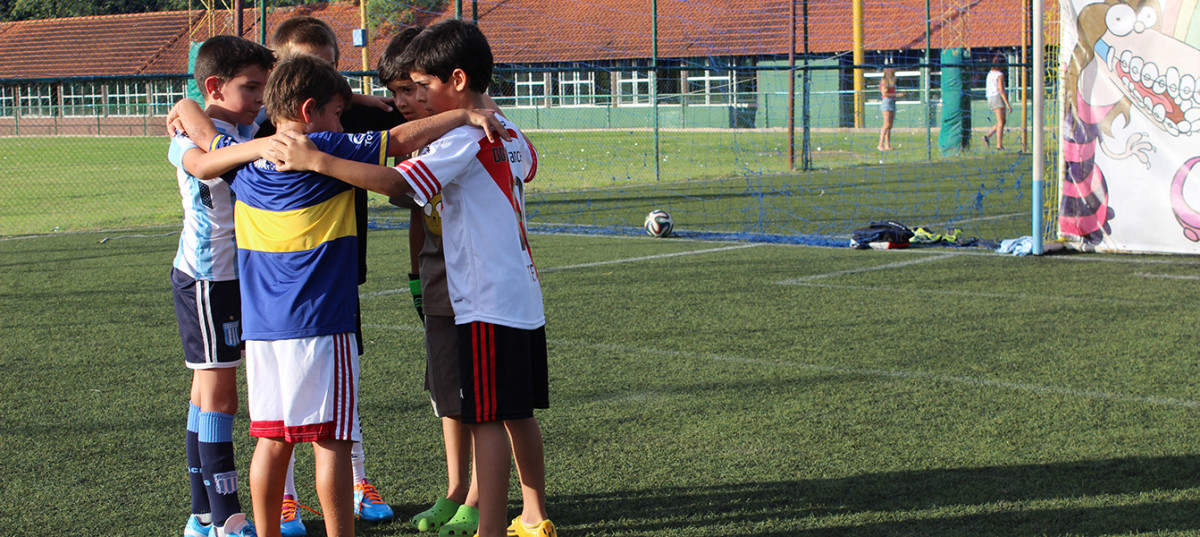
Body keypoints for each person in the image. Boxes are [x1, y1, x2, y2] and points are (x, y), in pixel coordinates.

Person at [176, 53, 507, 537]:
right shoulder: (324, 146)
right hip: (322, 326)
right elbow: (397, 141)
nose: (339, 121)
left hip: (264, 332)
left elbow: (204, 134)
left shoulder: (245, 163)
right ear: (310, 112)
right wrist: (462, 114)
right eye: (335, 112)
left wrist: (185, 105)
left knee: (271, 442)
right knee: (331, 441)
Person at [265, 20, 555, 537]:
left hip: (483, 296)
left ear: (458, 80)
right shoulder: (505, 127)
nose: (415, 97)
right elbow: (528, 165)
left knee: (487, 417)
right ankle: (533, 516)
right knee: (518, 412)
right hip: (523, 292)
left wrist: (319, 160)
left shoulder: (463, 134)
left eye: (423, 86)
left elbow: (399, 181)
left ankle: (490, 528)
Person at [266, 16, 404, 535]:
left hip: (335, 273)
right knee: (289, 414)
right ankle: (288, 499)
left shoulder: (343, 117)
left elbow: (392, 127)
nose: (321, 75)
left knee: (338, 396)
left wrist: (363, 102)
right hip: (284, 284)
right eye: (306, 65)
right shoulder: (273, 134)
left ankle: (359, 480)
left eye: (329, 66)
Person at [377, 27, 482, 537]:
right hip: (439, 275)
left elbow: (407, 186)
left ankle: (481, 499)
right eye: (395, 92)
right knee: (447, 388)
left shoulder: (464, 131)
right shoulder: (415, 129)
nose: (403, 102)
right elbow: (419, 209)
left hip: (477, 281)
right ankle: (455, 489)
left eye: (410, 90)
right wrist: (417, 275)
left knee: (483, 391)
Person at [168, 35, 273, 537]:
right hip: (209, 280)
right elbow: (206, 163)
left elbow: (200, 108)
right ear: (216, 86)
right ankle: (229, 518)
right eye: (250, 87)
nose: (259, 98)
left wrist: (187, 104)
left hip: (233, 278)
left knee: (205, 393)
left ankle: (203, 515)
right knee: (221, 398)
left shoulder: (243, 124)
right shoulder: (191, 138)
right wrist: (189, 109)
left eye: (263, 88)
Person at [982, 55, 1011, 150]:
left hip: (989, 98)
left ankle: (987, 137)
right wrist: (1008, 104)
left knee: (1002, 121)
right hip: (996, 97)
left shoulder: (990, 73)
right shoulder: (999, 75)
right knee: (1001, 122)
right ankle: (999, 145)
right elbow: (1001, 90)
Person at [877, 68, 897, 151]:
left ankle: (887, 145)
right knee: (886, 124)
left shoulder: (892, 81)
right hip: (887, 102)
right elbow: (884, 93)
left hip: (892, 101)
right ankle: (880, 144)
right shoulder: (884, 80)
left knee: (890, 125)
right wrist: (897, 95)